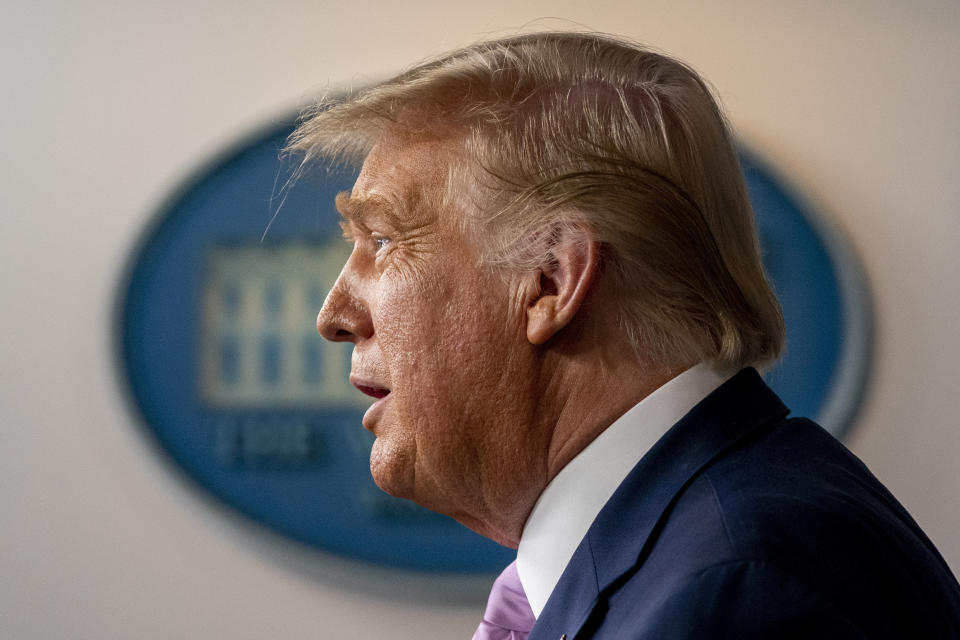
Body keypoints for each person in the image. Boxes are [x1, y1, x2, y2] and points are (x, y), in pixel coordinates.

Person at [288, 32, 960, 639]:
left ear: (551, 280)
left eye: (382, 240)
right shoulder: (717, 546)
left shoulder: (734, 594)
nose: (334, 314)